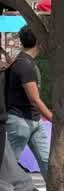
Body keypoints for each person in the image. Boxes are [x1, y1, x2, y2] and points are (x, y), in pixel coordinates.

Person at [5, 26, 51, 182]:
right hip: (20, 121)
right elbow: (34, 98)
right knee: (8, 165)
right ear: (39, 42)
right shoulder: (25, 65)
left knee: (47, 161)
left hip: (34, 121)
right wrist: (52, 117)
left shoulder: (24, 62)